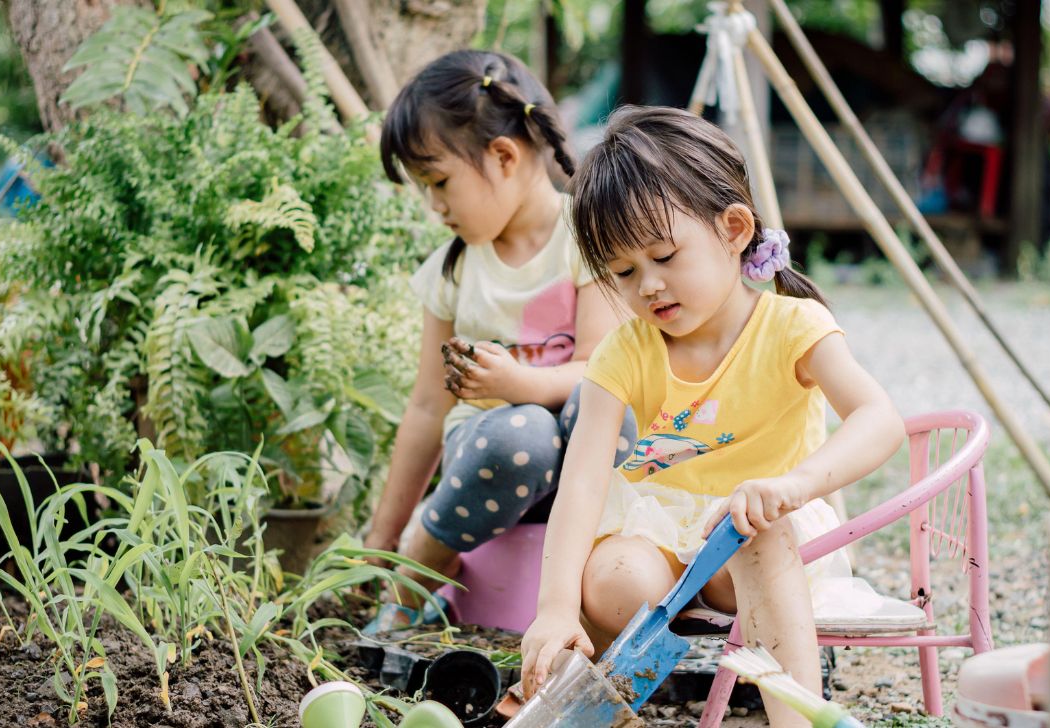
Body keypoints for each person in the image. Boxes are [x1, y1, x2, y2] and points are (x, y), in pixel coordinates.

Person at [519, 106, 905, 727]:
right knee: (612, 576)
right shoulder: (626, 349)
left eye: (665, 256)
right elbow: (583, 481)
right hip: (666, 530)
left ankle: (796, 719)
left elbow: (879, 418)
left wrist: (793, 486)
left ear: (732, 228)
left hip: (767, 526)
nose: (647, 286)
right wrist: (556, 604)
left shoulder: (790, 326)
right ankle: (586, 708)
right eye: (623, 271)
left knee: (756, 537)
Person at [362, 50, 635, 629]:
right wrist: (383, 535)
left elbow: (599, 366)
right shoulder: (455, 269)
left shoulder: (587, 240)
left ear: (504, 156)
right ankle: (414, 577)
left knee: (606, 403)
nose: (434, 207)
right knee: (524, 432)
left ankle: (594, 601)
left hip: (584, 468)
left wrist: (520, 382)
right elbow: (428, 406)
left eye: (439, 183)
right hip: (490, 462)